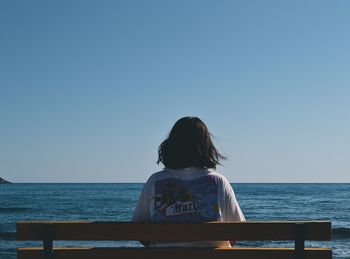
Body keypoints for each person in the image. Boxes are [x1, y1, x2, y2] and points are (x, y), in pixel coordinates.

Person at [132, 116, 245, 247]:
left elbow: (139, 232)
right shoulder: (219, 181)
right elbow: (237, 233)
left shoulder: (155, 181)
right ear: (206, 147)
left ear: (172, 146)